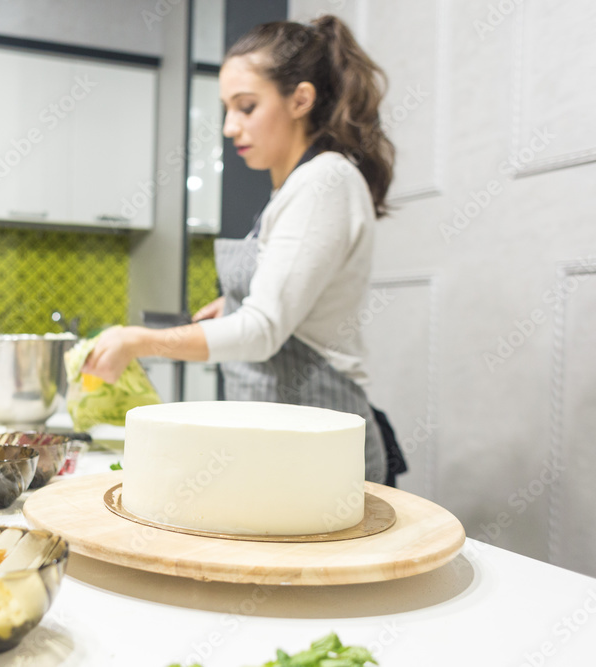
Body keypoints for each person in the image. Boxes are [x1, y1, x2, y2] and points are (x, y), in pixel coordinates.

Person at [82, 15, 400, 484]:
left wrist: (140, 341)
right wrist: (231, 306)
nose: (230, 127)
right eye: (227, 109)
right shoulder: (293, 189)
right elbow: (285, 304)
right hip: (281, 442)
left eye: (246, 107)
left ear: (301, 99)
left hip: (318, 449)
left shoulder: (323, 181)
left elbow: (264, 331)